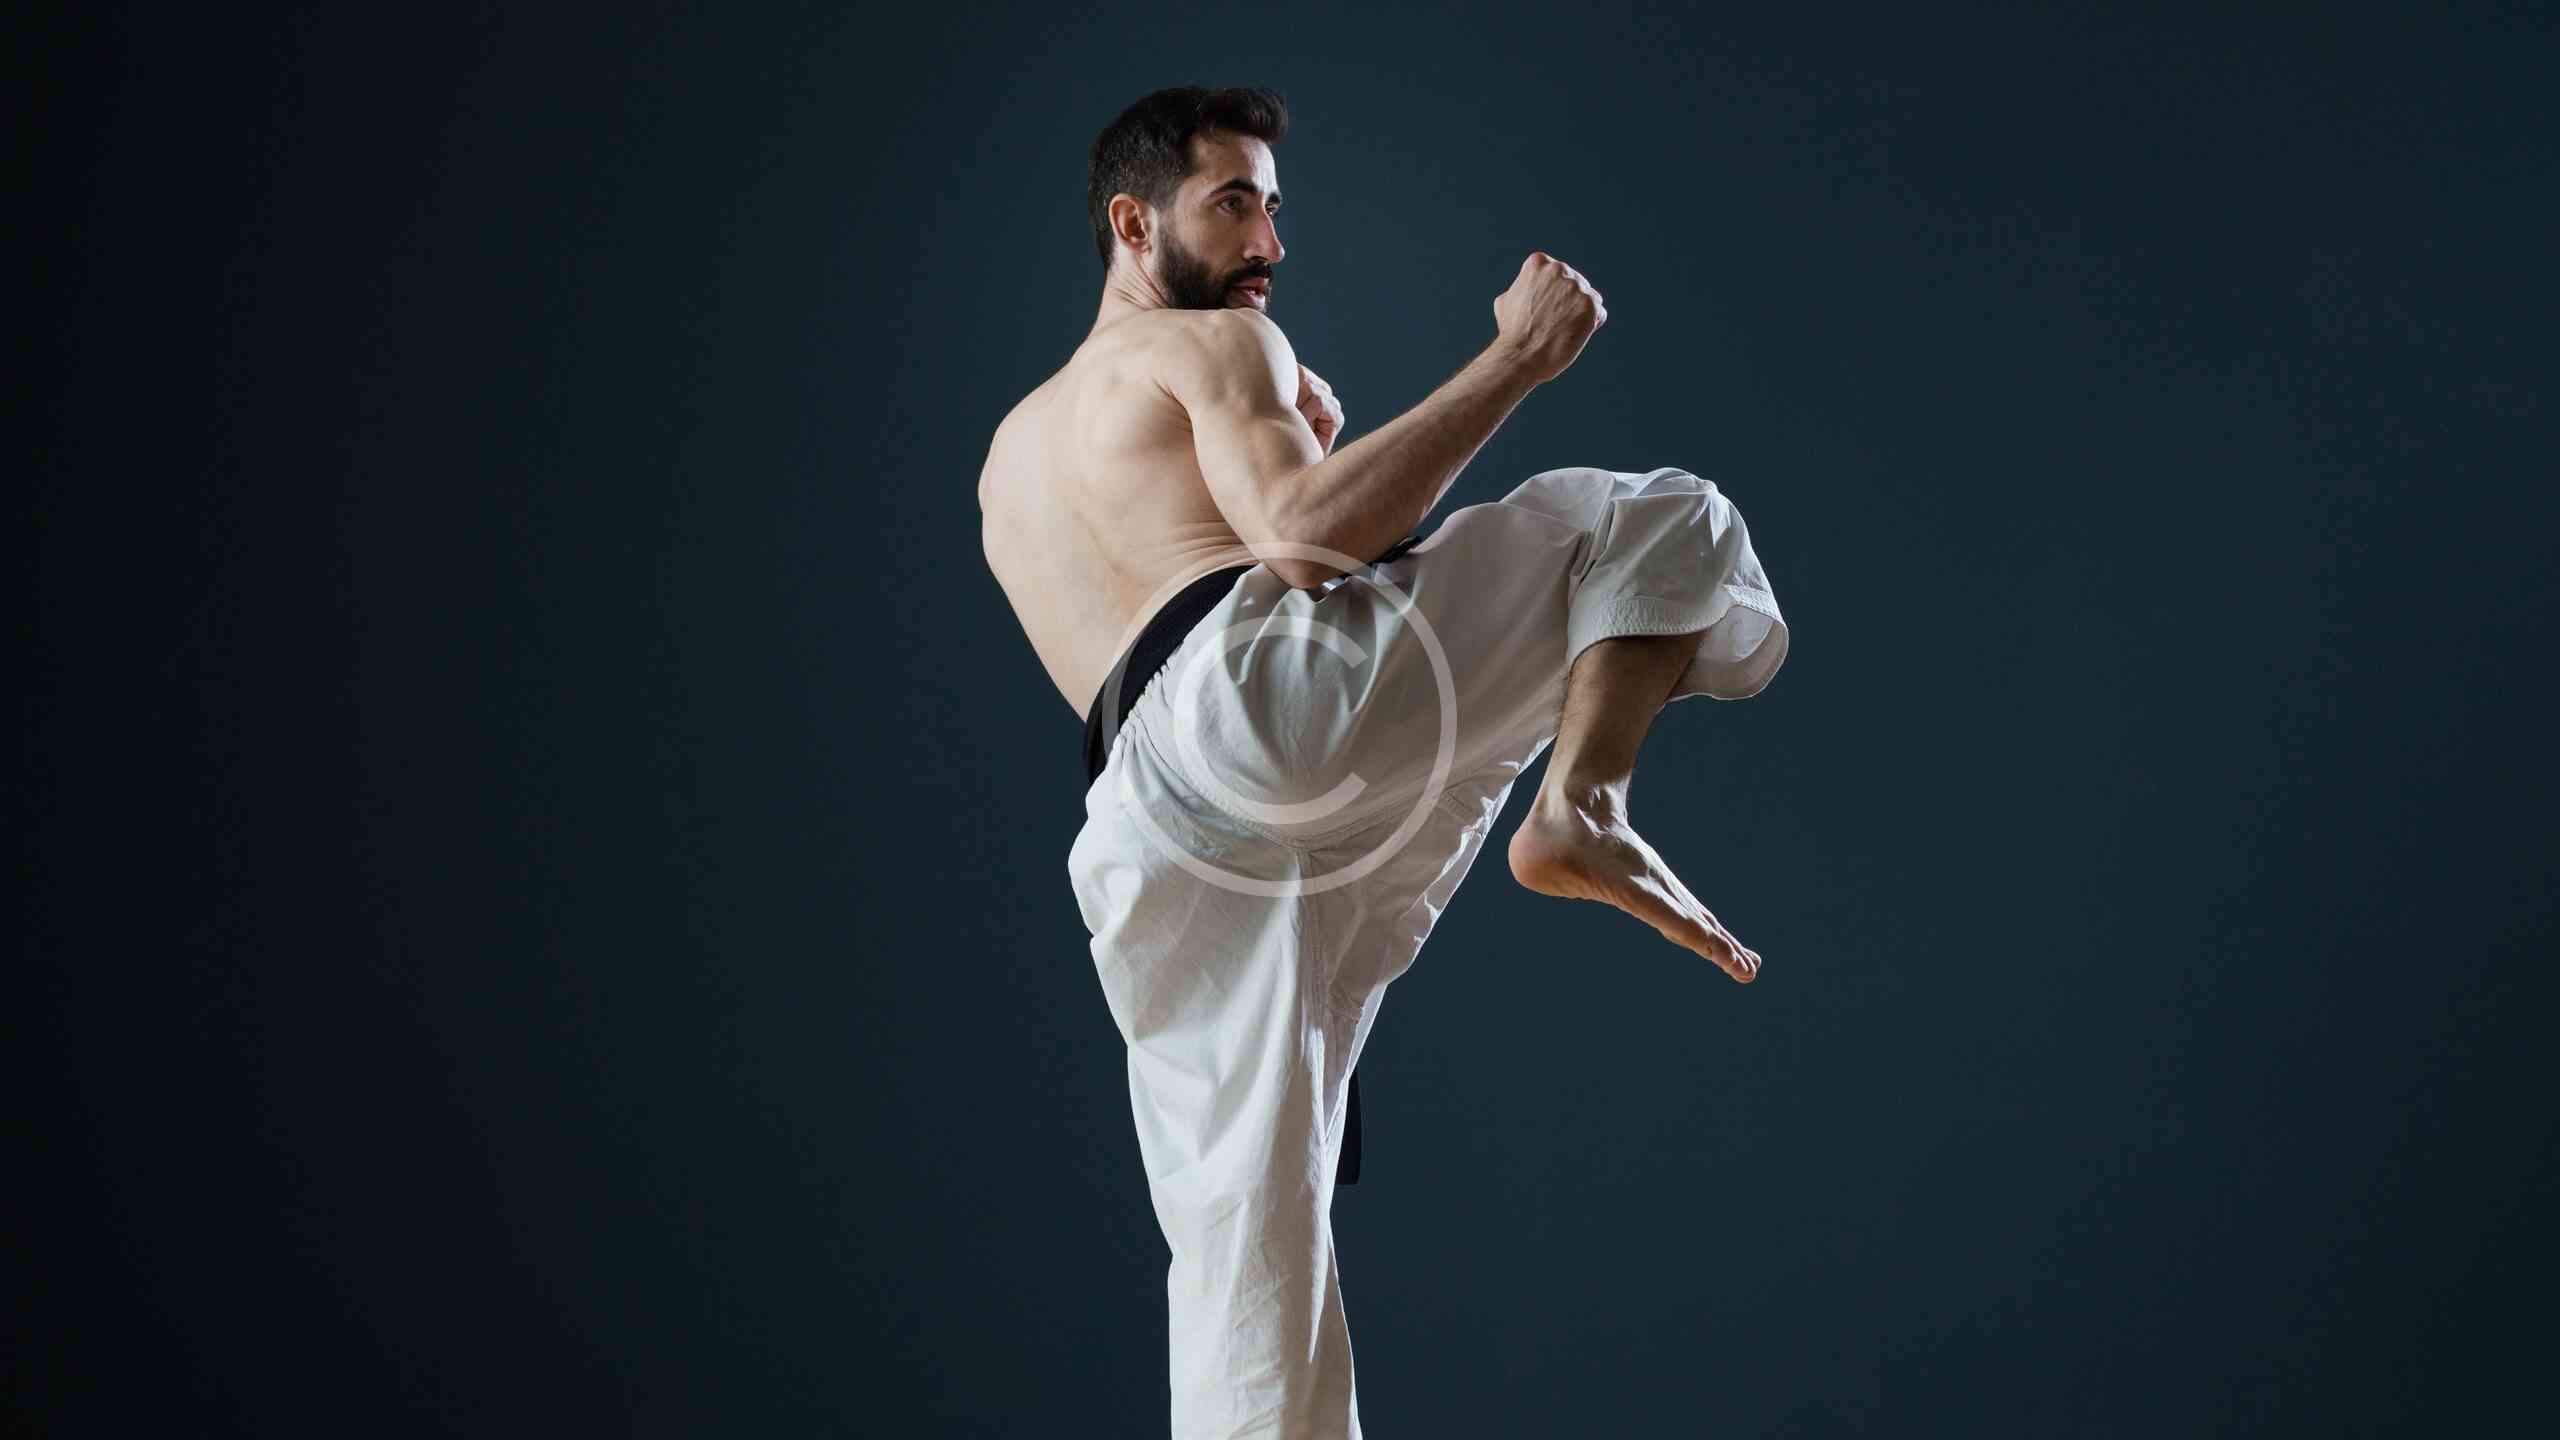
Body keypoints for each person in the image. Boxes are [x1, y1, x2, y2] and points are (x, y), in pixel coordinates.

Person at [978, 85, 1792, 1439]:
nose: (1268, 243)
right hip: (1253, 703)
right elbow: (1303, 547)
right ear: (1131, 223)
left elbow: (1220, 567)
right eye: (1232, 203)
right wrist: (1514, 360)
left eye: (1274, 208)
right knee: (1659, 521)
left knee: (1245, 1239)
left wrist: (1312, 457)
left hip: (1144, 828)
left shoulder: (1010, 461)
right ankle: (1583, 804)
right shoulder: (1210, 343)